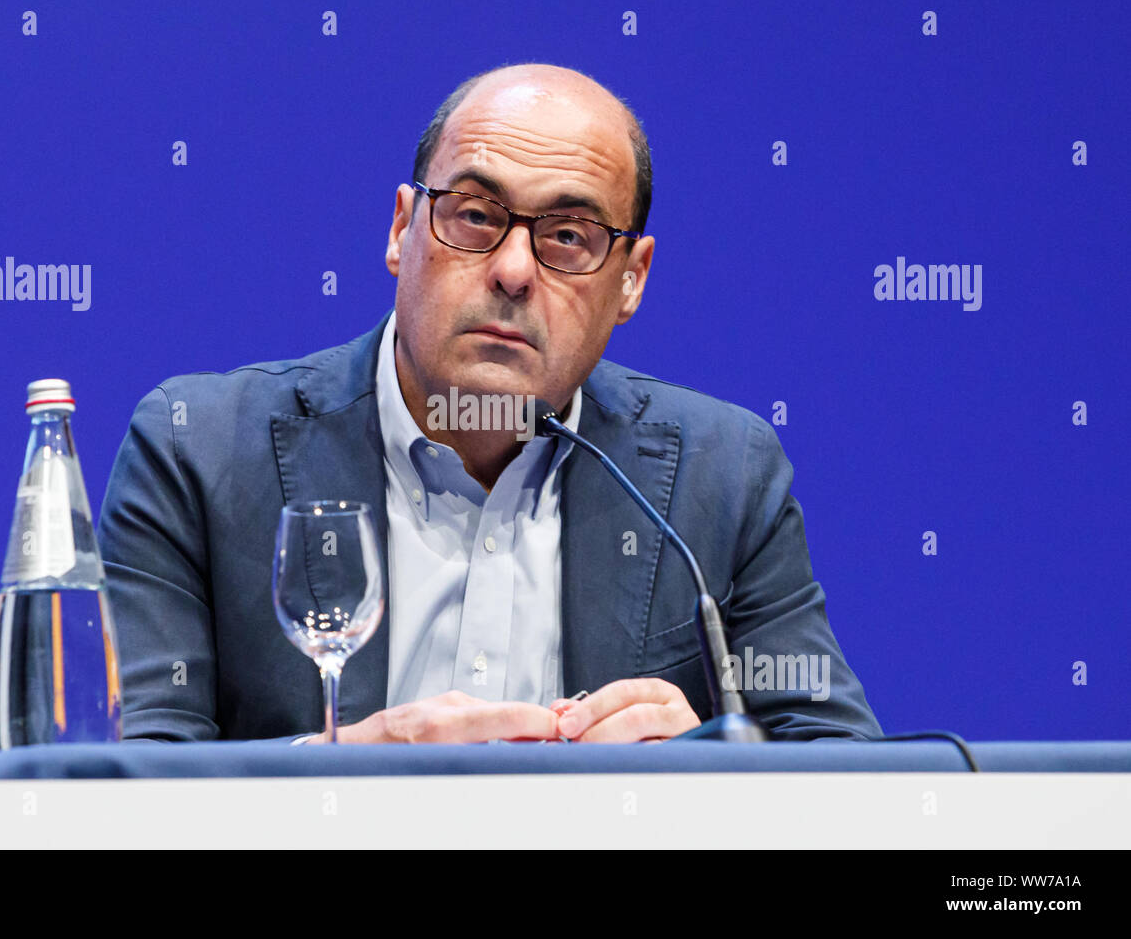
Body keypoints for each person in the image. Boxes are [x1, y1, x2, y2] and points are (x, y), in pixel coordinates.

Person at [97, 62, 882, 744]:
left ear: (632, 280)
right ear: (403, 229)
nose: (512, 270)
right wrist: (327, 776)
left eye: (569, 236)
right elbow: (124, 786)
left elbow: (846, 770)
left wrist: (711, 772)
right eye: (475, 216)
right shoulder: (198, 453)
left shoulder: (724, 476)